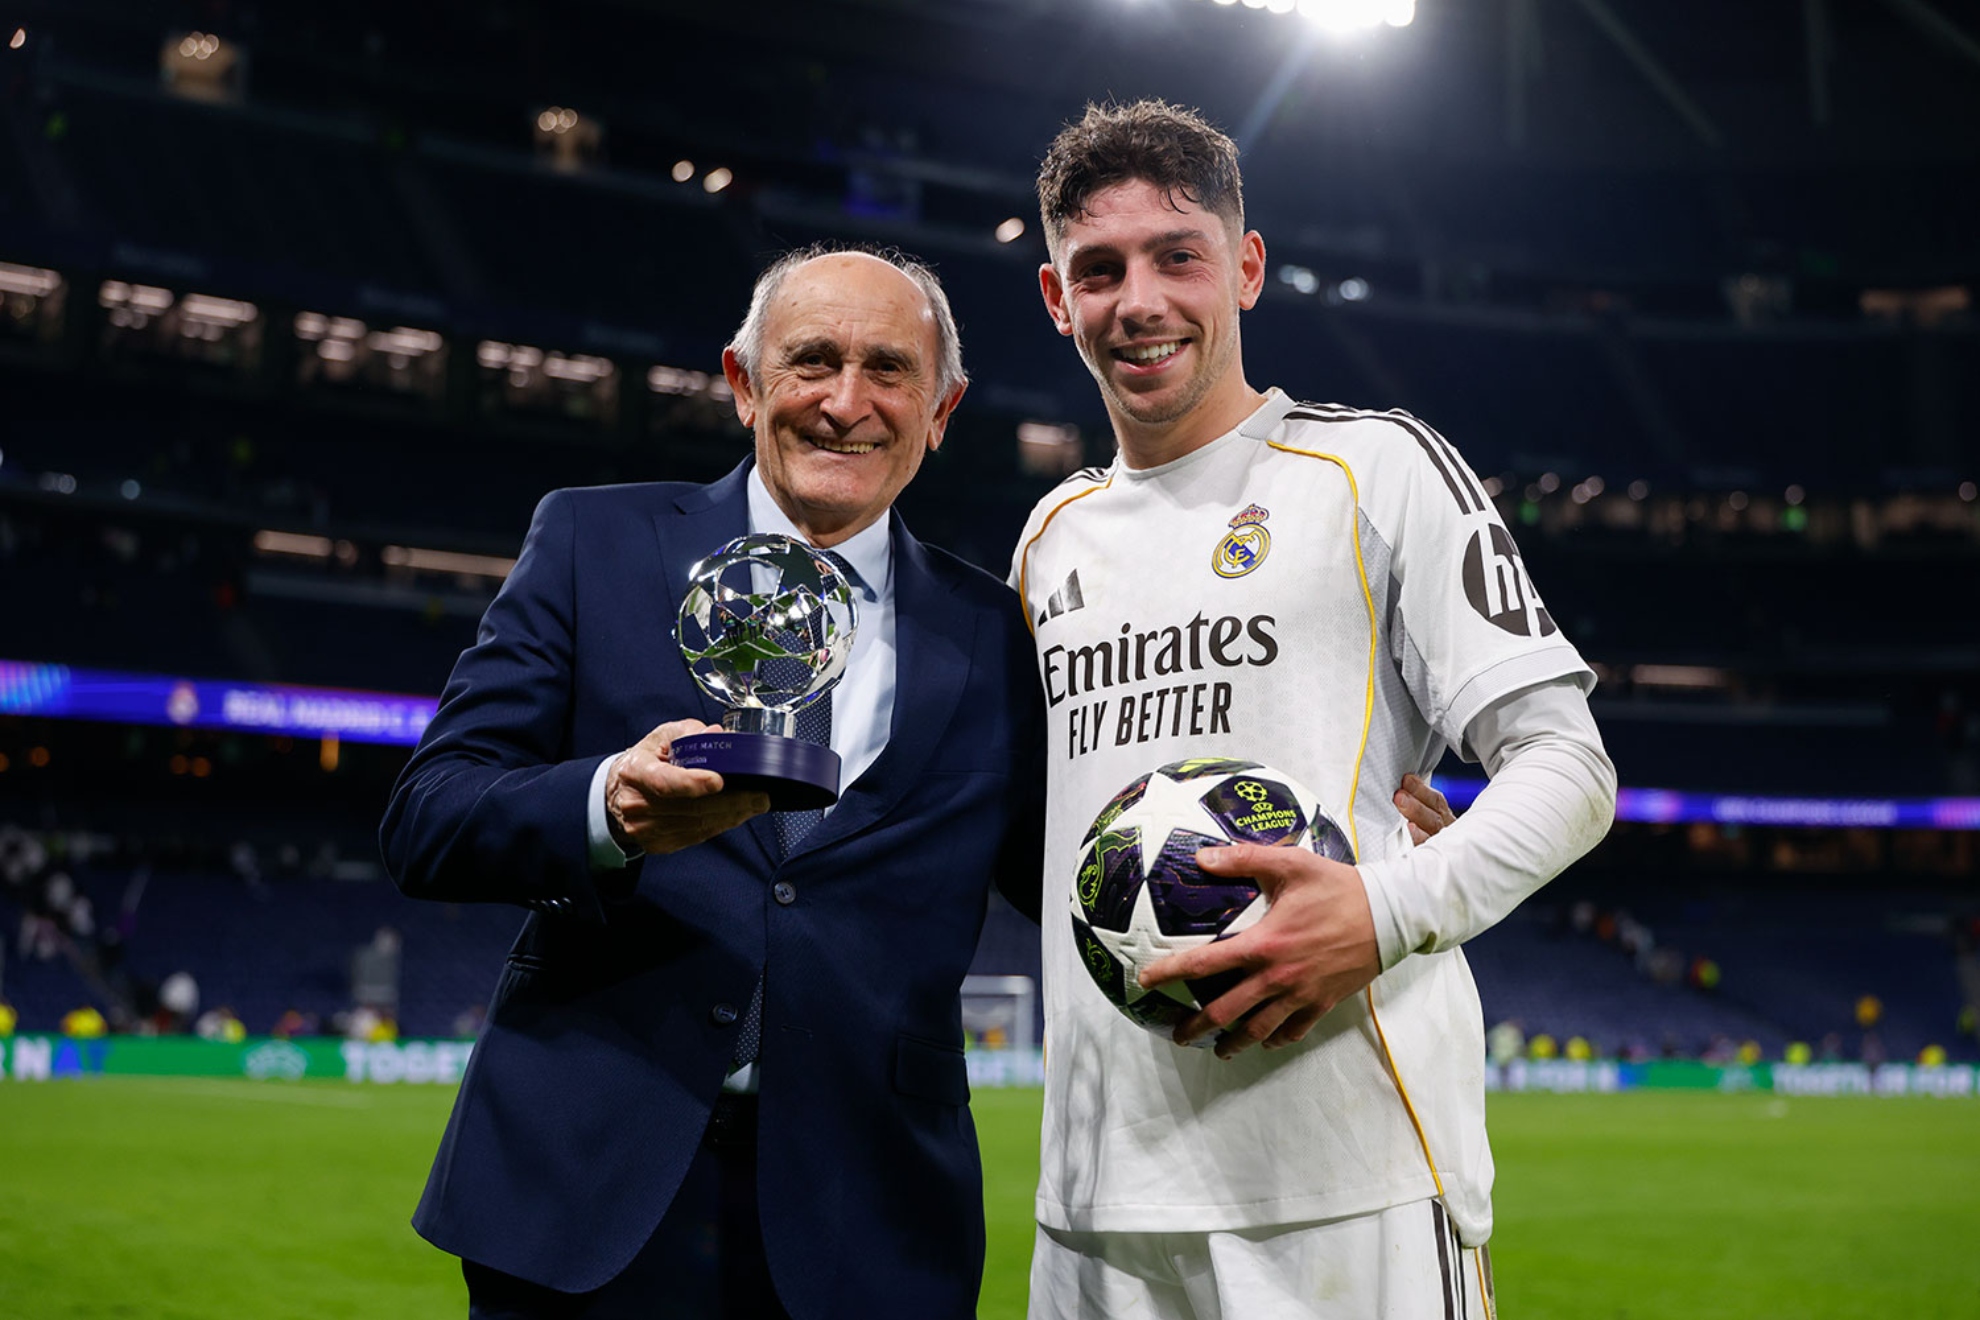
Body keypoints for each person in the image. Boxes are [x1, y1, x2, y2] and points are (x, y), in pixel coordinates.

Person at [1012, 100, 1617, 1318]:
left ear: (1244, 268)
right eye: (1100, 269)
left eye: (1178, 255)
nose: (1140, 300)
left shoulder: (1376, 467)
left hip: (1353, 1179)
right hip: (1095, 1206)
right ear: (1054, 298)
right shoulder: (1046, 539)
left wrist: (1385, 909)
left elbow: (1567, 765)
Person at [380, 246, 1047, 1319]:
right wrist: (609, 807)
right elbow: (428, 815)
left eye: (888, 369)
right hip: (584, 1196)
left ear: (942, 408)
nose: (846, 402)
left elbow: (1068, 873)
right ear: (743, 384)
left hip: (868, 1217)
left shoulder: (999, 632)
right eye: (811, 362)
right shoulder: (594, 543)